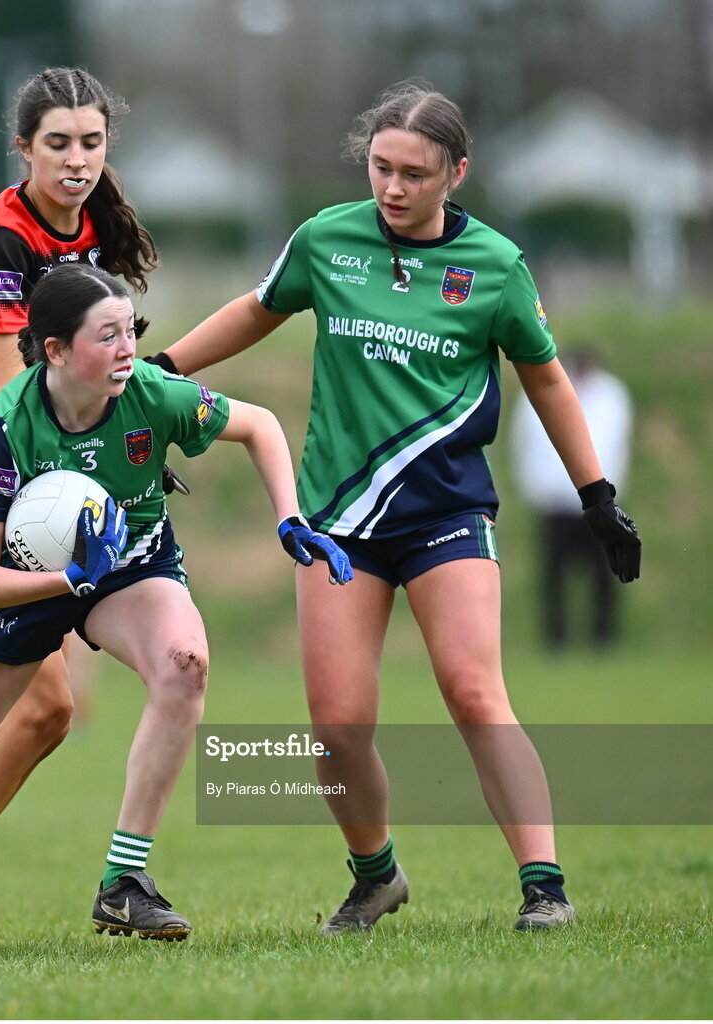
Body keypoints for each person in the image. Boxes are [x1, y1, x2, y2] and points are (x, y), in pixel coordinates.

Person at [152, 80, 641, 932]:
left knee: (473, 689)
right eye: (381, 166)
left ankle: (544, 887)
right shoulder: (327, 240)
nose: (393, 187)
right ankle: (376, 876)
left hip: (448, 513)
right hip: (338, 519)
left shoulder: (494, 266)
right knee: (338, 726)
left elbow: (549, 379)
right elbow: (256, 311)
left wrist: (595, 496)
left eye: (415, 172)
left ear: (457, 171)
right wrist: (161, 372)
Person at [0, 264, 351, 960]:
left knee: (184, 663)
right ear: (56, 351)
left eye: (130, 330)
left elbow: (259, 425)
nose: (128, 349)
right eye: (107, 337)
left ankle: (123, 879)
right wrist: (67, 577)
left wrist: (290, 518)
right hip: (27, 585)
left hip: (132, 571)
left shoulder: (151, 394)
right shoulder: (10, 422)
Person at [0, 67, 165, 951]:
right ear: (23, 148)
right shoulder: (0, 243)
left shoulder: (88, 230)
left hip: (36, 488)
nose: (78, 160)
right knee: (42, 704)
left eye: (92, 143)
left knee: (51, 710)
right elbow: (18, 402)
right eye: (58, 144)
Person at [510, 348, 634, 649]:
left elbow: (620, 442)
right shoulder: (534, 393)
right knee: (554, 576)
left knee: (605, 572)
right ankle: (556, 639)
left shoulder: (611, 395)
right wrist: (535, 487)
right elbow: (523, 443)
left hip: (600, 502)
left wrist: (611, 489)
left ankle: (604, 638)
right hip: (555, 502)